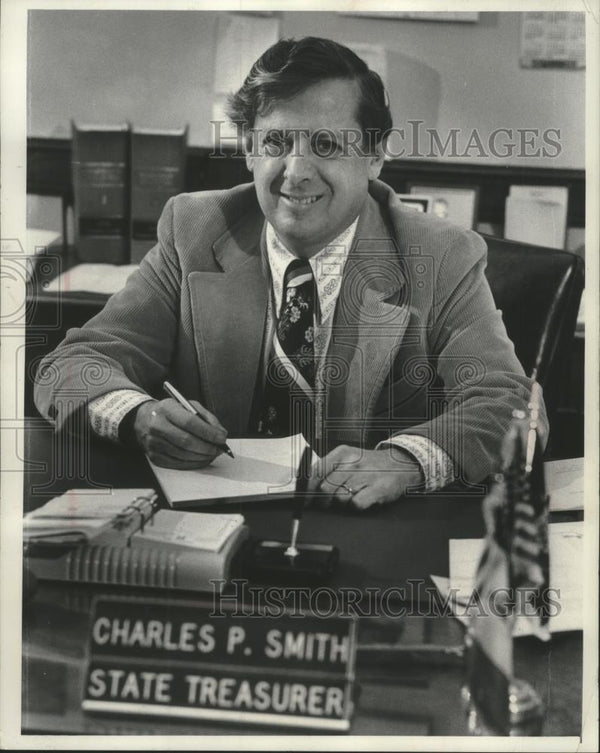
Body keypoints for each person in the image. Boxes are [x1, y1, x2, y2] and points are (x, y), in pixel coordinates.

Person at [34, 36, 546, 510]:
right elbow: (73, 364)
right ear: (250, 151)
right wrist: (137, 416)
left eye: (326, 145)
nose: (296, 171)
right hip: (215, 522)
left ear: (374, 157)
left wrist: (406, 460)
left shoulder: (441, 254)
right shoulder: (194, 229)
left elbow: (509, 404)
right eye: (276, 143)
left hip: (367, 541)